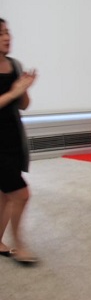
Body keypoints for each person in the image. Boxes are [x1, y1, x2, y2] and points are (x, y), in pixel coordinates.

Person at [0, 18, 38, 265]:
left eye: (7, 32)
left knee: (5, 195)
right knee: (21, 194)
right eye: (1, 33)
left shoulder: (14, 65)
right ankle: (19, 246)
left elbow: (23, 105)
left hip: (13, 138)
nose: (7, 37)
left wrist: (24, 89)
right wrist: (14, 91)